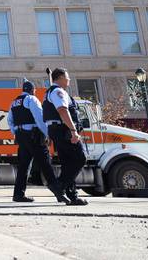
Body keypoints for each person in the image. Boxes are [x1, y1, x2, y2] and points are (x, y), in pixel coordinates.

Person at [7, 79, 68, 203]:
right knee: (45, 163)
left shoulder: (14, 102)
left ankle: (18, 194)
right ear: (32, 90)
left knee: (23, 166)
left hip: (21, 136)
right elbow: (39, 118)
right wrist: (48, 134)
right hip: (33, 135)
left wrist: (16, 133)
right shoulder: (31, 99)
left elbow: (9, 120)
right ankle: (58, 192)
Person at [42, 67, 88, 206]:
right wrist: (73, 130)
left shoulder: (52, 92)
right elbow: (62, 110)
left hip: (57, 130)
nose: (68, 80)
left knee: (68, 163)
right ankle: (59, 186)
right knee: (80, 158)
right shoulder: (58, 91)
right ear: (60, 78)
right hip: (64, 130)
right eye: (67, 77)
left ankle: (72, 196)